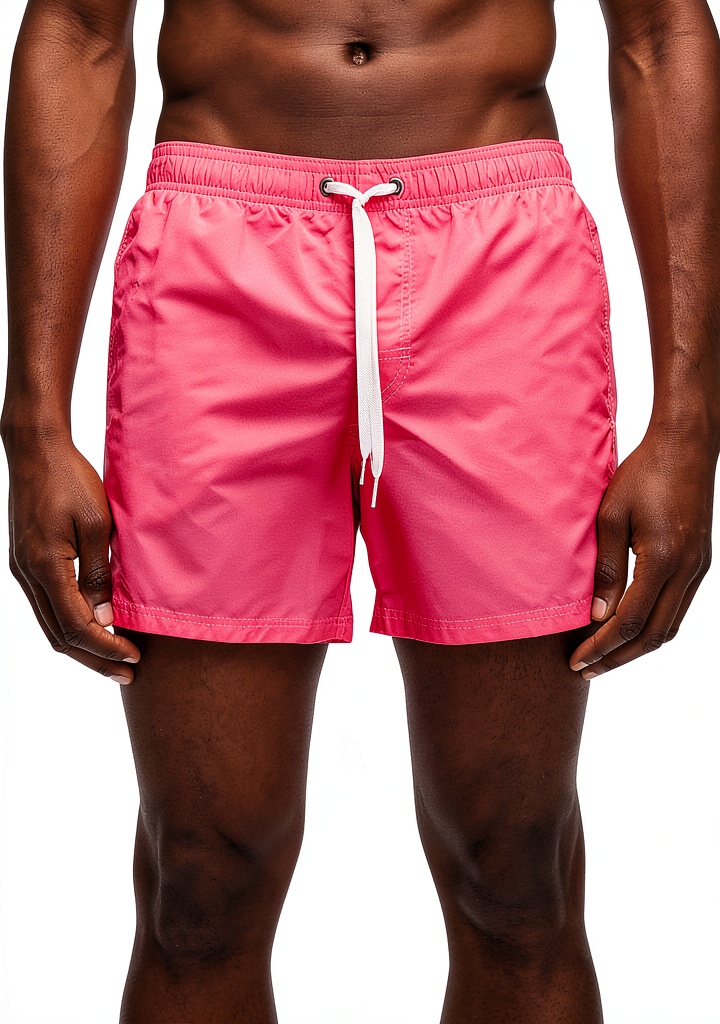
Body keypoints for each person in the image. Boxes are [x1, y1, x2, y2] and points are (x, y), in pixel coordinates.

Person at [2, 0, 718, 1019]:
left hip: (498, 260)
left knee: (514, 870)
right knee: (201, 882)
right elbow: (78, 28)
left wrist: (690, 417)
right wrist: (33, 419)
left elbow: (660, 32)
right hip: (217, 264)